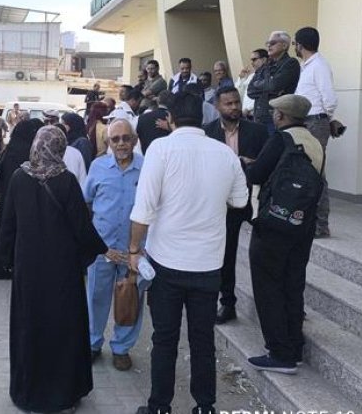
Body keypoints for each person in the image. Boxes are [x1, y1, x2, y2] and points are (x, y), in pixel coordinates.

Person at [128, 92, 248, 414]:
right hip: (209, 266)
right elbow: (240, 201)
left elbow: (143, 211)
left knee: (164, 340)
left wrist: (134, 251)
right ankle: (205, 406)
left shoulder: (161, 149)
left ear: (169, 118)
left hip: (166, 264)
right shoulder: (225, 154)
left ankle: (159, 406)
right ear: (205, 117)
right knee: (202, 341)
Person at [0, 126, 108, 413]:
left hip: (28, 272)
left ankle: (27, 392)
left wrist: (9, 261)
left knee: (29, 327)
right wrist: (101, 249)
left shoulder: (18, 178)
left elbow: (7, 225)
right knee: (63, 330)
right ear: (59, 148)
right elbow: (82, 228)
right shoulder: (66, 181)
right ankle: (63, 394)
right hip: (62, 273)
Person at [245, 94, 324, 374]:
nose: (274, 116)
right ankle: (294, 347)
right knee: (292, 285)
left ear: (281, 116)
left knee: (268, 287)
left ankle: (279, 353)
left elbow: (256, 175)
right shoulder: (314, 142)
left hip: (273, 225)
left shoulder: (281, 139)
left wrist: (248, 164)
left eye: (276, 112)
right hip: (302, 226)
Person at [203, 86, 268, 324]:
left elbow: (267, 164)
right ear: (217, 107)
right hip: (222, 205)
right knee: (226, 254)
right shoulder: (207, 133)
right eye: (228, 104)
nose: (234, 108)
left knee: (263, 255)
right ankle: (227, 302)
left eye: (237, 102)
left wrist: (249, 165)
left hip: (252, 201)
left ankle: (270, 304)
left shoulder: (258, 131)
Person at [84, 118, 144, 371]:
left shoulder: (148, 167)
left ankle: (121, 348)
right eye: (115, 139)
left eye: (126, 138)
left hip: (134, 251)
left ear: (135, 139)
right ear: (108, 142)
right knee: (96, 298)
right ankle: (92, 344)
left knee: (131, 300)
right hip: (102, 250)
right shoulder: (98, 167)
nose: (121, 143)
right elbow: (85, 203)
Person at [293, 26, 338, 239]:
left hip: (315, 122)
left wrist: (324, 118)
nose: (294, 46)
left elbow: (329, 98)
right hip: (308, 122)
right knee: (307, 171)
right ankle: (311, 221)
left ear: (300, 45)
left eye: (295, 43)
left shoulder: (318, 65)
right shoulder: (307, 66)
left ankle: (321, 225)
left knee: (316, 173)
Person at [0, 119, 43, 279]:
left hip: (8, 200)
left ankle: (2, 267)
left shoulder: (10, 149)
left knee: (6, 232)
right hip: (26, 203)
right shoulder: (30, 153)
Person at [248, 30, 301, 134]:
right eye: (267, 43)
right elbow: (250, 91)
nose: (269, 46)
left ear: (285, 45)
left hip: (276, 119)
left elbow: (274, 86)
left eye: (272, 43)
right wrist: (268, 85)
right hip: (259, 118)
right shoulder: (267, 65)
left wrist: (260, 84)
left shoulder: (290, 63)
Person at [235, 50, 268, 119]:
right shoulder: (251, 76)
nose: (252, 63)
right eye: (251, 60)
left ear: (264, 59)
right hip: (249, 117)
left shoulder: (268, 74)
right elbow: (237, 93)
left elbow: (263, 95)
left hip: (262, 116)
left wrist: (248, 109)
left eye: (254, 60)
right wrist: (241, 78)